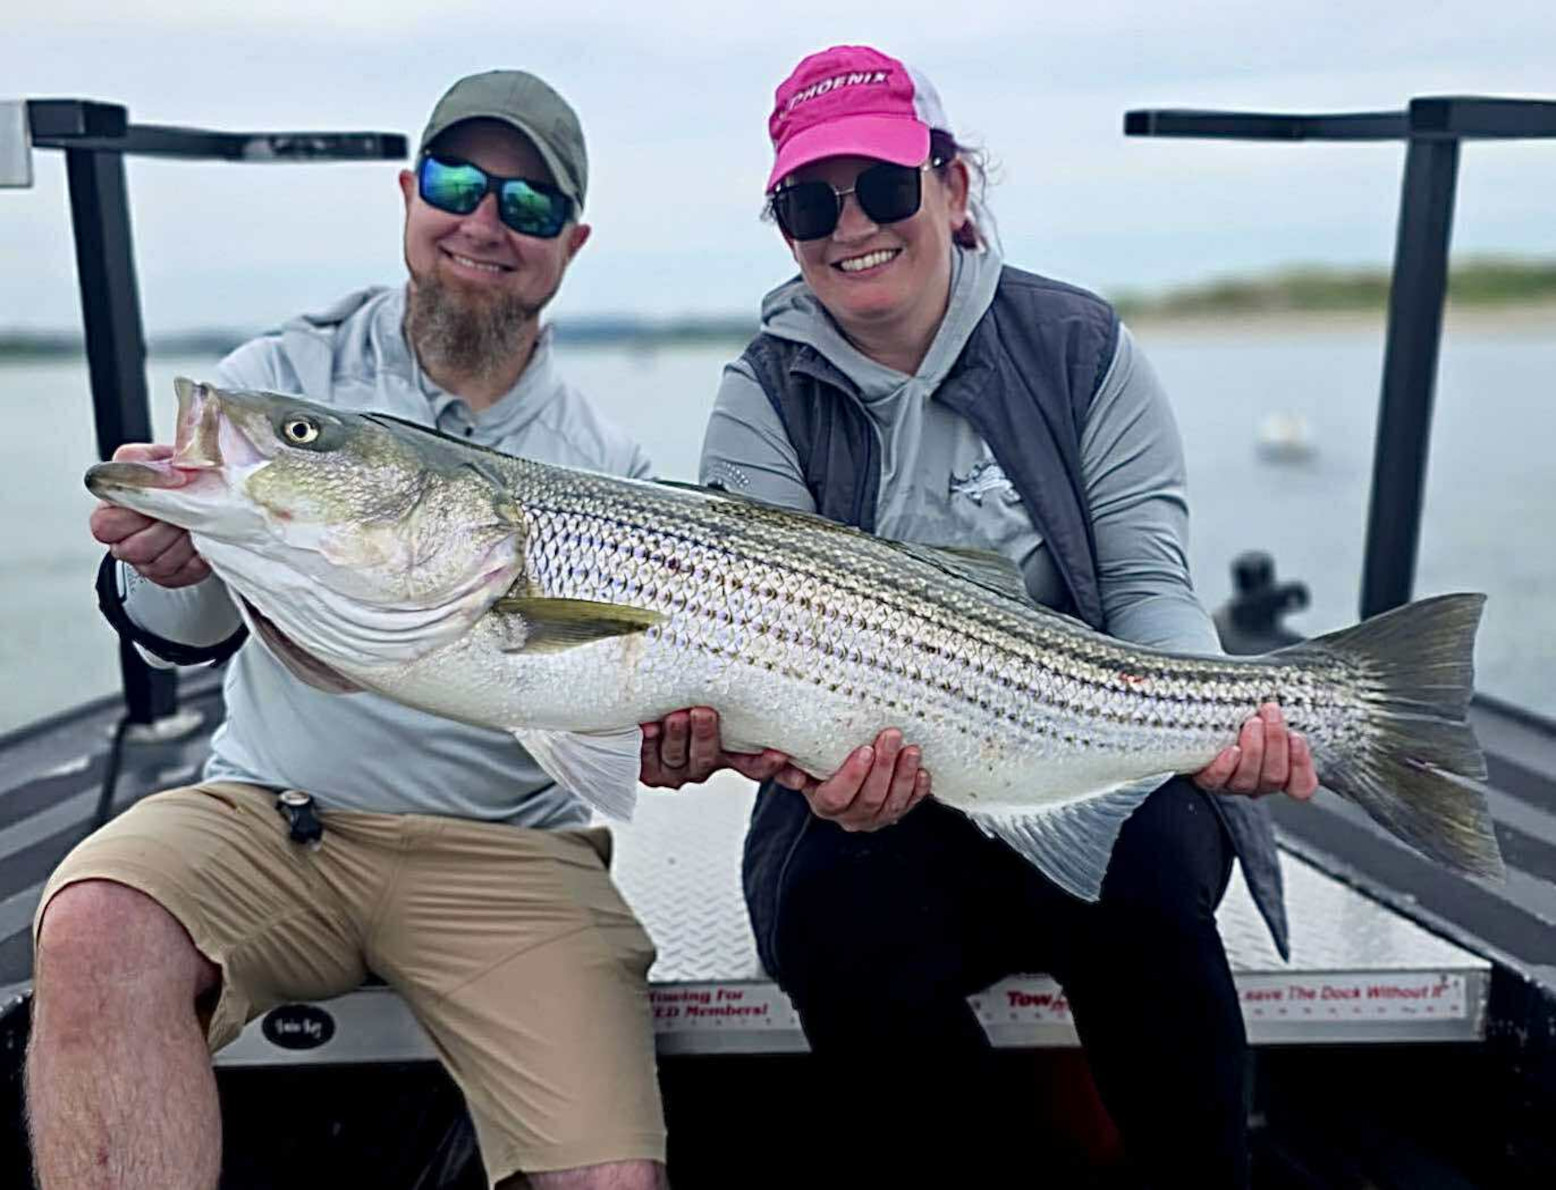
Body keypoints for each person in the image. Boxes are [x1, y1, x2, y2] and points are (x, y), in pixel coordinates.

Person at [639, 45, 1318, 1187]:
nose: (851, 224)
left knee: (1146, 879)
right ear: (786, 227)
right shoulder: (759, 394)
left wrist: (1215, 723)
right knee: (824, 920)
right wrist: (798, 771)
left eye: (886, 185)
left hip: (1084, 748)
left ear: (952, 186)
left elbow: (1148, 586)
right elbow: (749, 638)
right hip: (884, 795)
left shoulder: (1077, 345)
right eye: (810, 200)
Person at [30, 71, 668, 1190]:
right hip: (273, 815)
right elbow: (178, 629)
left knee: (610, 1176)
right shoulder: (277, 383)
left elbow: (628, 715)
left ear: (570, 241)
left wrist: (686, 731)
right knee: (94, 919)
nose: (482, 223)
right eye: (457, 183)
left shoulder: (607, 466)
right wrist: (157, 554)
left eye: (524, 206)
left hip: (509, 850)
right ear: (408, 192)